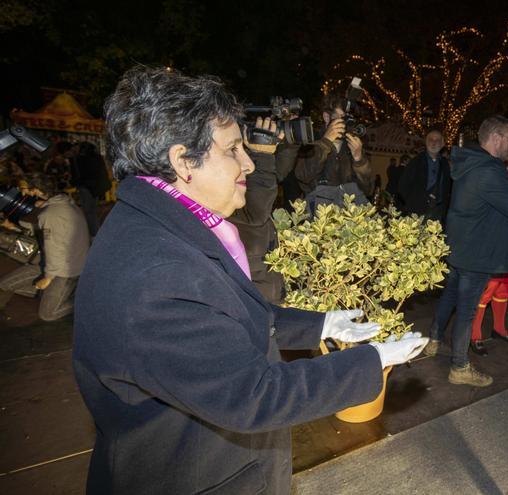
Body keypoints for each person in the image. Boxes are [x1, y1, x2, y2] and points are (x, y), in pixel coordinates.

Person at [72, 66, 427, 495]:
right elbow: (252, 395)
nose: (248, 161)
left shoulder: (162, 226)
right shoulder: (157, 272)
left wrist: (323, 324)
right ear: (184, 161)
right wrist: (372, 360)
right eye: (234, 149)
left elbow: (229, 315)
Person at [423, 115, 508, 387]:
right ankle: (459, 366)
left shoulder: (473, 164)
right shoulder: (489, 170)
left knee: (450, 295)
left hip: (463, 246)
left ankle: (434, 340)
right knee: (468, 310)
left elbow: (507, 200)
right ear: (496, 139)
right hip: (477, 252)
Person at [0, 172, 89, 321]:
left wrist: (48, 277)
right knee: (4, 284)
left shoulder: (51, 213)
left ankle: (83, 302)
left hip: (66, 270)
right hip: (55, 262)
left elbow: (53, 248)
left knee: (47, 314)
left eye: (25, 189)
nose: (22, 193)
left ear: (36, 189)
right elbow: (47, 231)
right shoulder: (63, 202)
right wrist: (14, 227)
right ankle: (50, 295)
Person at [228, 117, 299, 304]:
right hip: (252, 292)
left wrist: (286, 146)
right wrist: (261, 155)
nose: (248, 165)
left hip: (265, 285)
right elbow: (256, 210)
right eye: (232, 149)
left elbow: (276, 175)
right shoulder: (220, 195)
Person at [469, 146, 508, 356]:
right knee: (487, 290)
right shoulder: (494, 176)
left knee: (504, 288)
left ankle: (499, 329)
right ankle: (475, 336)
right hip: (492, 242)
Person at [294, 95, 373, 210]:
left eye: (348, 118)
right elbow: (303, 176)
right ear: (326, 117)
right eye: (341, 117)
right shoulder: (311, 143)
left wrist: (359, 160)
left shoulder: (354, 147)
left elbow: (368, 190)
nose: (346, 123)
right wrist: (325, 143)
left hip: (348, 219)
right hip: (318, 219)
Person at [398, 129, 452, 223]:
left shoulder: (445, 164)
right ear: (426, 143)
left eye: (437, 140)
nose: (434, 143)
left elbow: (448, 187)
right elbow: (403, 186)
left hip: (438, 212)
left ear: (443, 144)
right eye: (431, 139)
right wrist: (413, 205)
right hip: (417, 212)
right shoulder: (416, 162)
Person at [70, 141, 111, 237]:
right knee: (92, 210)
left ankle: (94, 232)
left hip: (86, 187)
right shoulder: (97, 158)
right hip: (95, 188)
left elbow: (77, 174)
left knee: (89, 212)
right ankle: (96, 231)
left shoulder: (80, 159)